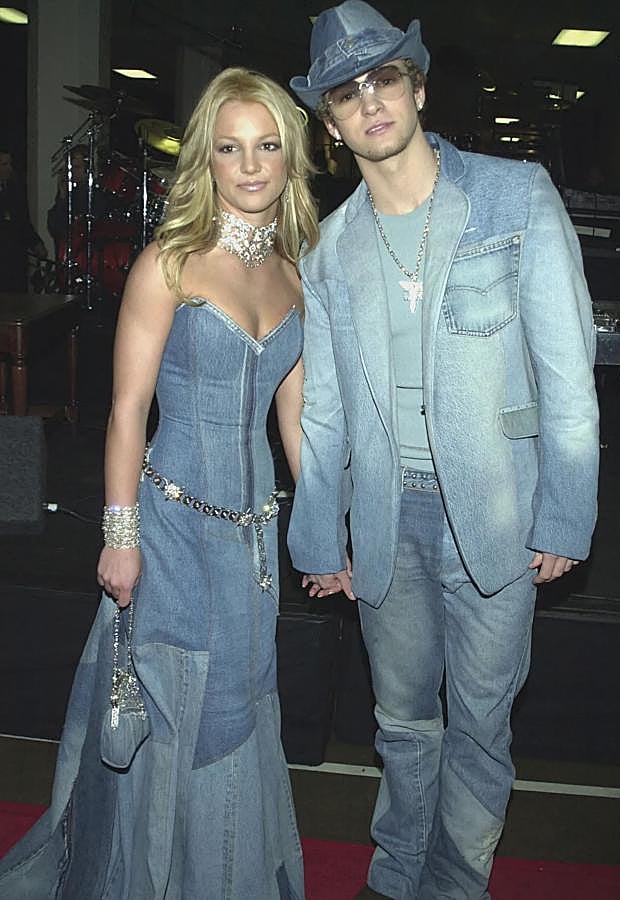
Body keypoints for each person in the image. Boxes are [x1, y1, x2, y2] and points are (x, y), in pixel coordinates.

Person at [288, 3, 599, 899]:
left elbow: (567, 375)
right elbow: (326, 413)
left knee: (480, 722)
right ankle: (394, 878)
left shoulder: (513, 193)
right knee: (401, 723)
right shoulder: (329, 246)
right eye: (347, 93)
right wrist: (321, 538)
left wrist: (567, 515)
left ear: (416, 86)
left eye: (384, 78)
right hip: (390, 518)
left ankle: (456, 883)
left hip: (498, 511)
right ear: (332, 125)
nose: (370, 102)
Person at [0, 67, 317, 899]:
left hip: (251, 542)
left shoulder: (295, 275)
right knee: (175, 711)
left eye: (268, 146)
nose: (250, 165)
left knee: (240, 708)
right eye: (230, 148)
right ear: (206, 161)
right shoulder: (167, 265)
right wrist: (120, 536)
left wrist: (325, 528)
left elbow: (295, 427)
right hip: (170, 532)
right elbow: (125, 412)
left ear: (290, 158)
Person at [0, 147, 47, 291]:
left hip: (15, 257)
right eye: (4, 164)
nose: (9, 168)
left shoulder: (15, 189)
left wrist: (36, 243)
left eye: (10, 164)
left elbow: (23, 222)